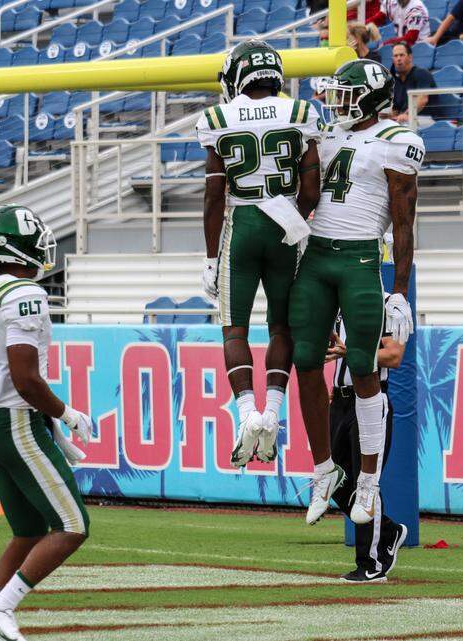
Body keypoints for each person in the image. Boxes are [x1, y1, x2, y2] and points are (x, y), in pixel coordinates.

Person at [294, 58, 421, 526]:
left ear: (370, 98)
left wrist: (400, 291)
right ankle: (324, 470)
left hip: (361, 258)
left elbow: (404, 223)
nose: (336, 103)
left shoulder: (397, 141)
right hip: (315, 256)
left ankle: (368, 481)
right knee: (306, 361)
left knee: (364, 368)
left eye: (345, 95)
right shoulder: (327, 134)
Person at [0, 204, 92, 641]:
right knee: (72, 526)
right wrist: (66, 414)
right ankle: (0, 607)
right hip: (16, 422)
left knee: (28, 532)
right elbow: (26, 379)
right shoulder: (23, 293)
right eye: (34, 239)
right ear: (16, 248)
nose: (41, 247)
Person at [196, 41, 322, 468]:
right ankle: (273, 413)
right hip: (286, 225)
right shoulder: (301, 112)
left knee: (235, 331)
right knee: (282, 327)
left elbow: (214, 196)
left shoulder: (217, 118)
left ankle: (248, 413)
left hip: (243, 227)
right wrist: (293, 219)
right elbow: (311, 189)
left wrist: (211, 257)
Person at [325, 313, 408, 582]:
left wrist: (350, 353)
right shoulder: (339, 305)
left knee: (365, 480)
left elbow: (394, 356)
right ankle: (388, 531)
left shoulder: (386, 305)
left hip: (370, 399)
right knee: (332, 479)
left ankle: (370, 563)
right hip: (340, 401)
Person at [389, 43, 437, 125]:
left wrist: (407, 114)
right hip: (404, 121)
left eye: (401, 55)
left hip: (427, 119)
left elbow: (422, 99)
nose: (398, 59)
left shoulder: (421, 73)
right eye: (395, 56)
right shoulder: (395, 81)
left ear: (410, 57)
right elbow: (395, 109)